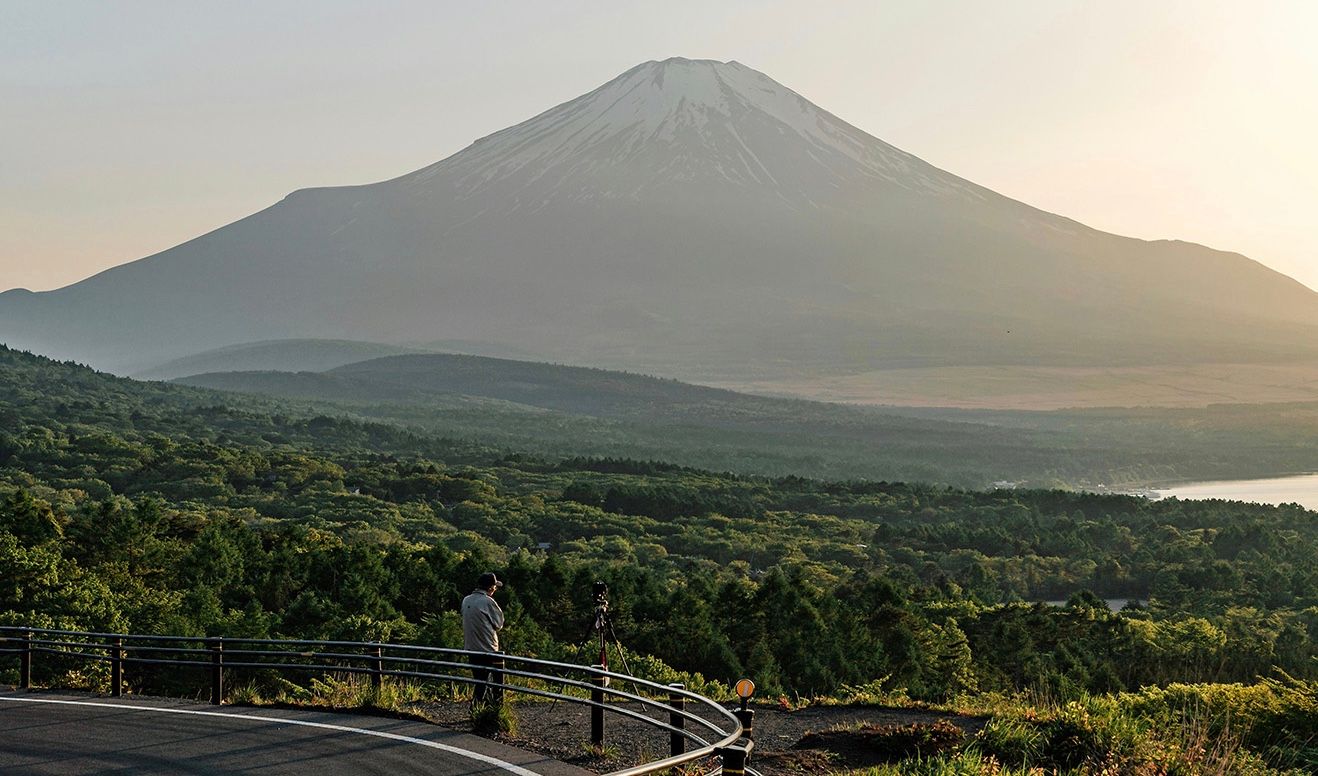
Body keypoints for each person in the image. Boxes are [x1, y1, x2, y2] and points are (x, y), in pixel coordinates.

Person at [461, 571, 505, 704]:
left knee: (479, 681)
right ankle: (487, 708)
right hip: (488, 648)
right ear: (491, 587)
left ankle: (479, 708)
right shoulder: (488, 602)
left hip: (471, 647)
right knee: (491, 683)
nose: (495, 589)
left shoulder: (466, 600)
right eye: (495, 586)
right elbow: (499, 624)